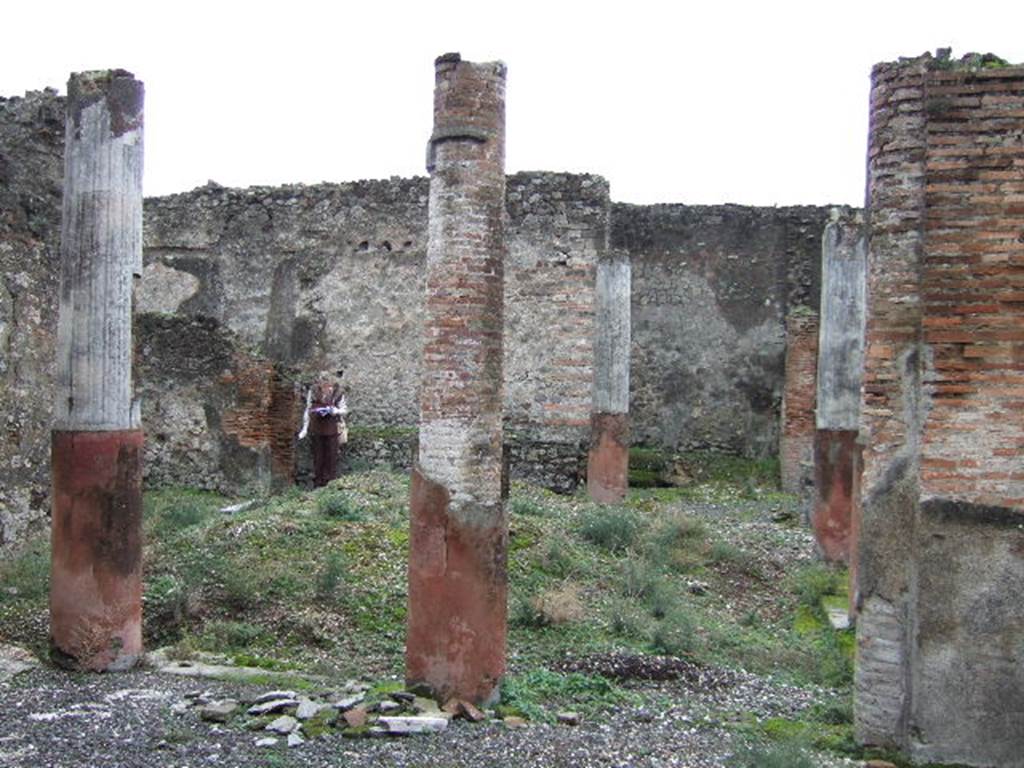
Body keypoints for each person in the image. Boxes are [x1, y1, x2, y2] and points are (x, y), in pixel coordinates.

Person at [298, 370, 349, 487]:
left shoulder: (338, 393)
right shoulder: (314, 391)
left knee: (331, 457)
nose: (325, 387)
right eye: (323, 384)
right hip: (317, 428)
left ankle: (331, 483)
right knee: (318, 457)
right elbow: (308, 408)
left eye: (328, 384)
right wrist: (305, 428)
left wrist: (334, 411)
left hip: (332, 429)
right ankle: (318, 482)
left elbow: (344, 410)